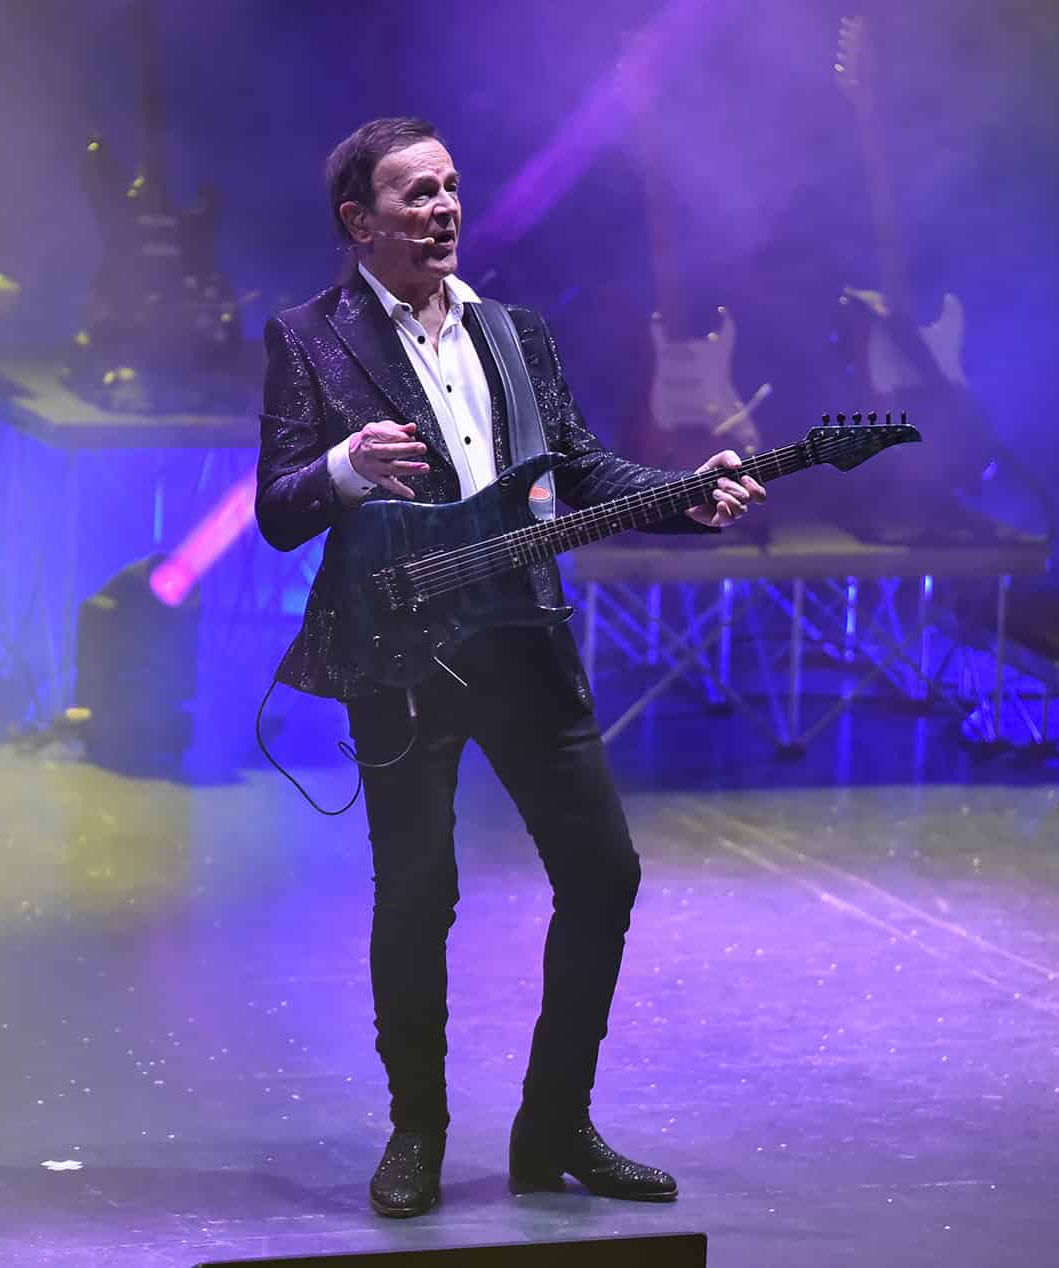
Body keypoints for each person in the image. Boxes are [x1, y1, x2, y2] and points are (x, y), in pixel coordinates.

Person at [254, 116, 766, 1219]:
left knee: (603, 871)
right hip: (403, 653)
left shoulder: (513, 332)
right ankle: (417, 1130)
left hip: (526, 636)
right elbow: (279, 510)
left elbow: (575, 469)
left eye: (449, 187)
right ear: (359, 221)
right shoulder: (310, 338)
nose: (443, 208)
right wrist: (345, 465)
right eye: (415, 194)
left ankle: (556, 1126)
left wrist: (686, 493)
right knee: (418, 892)